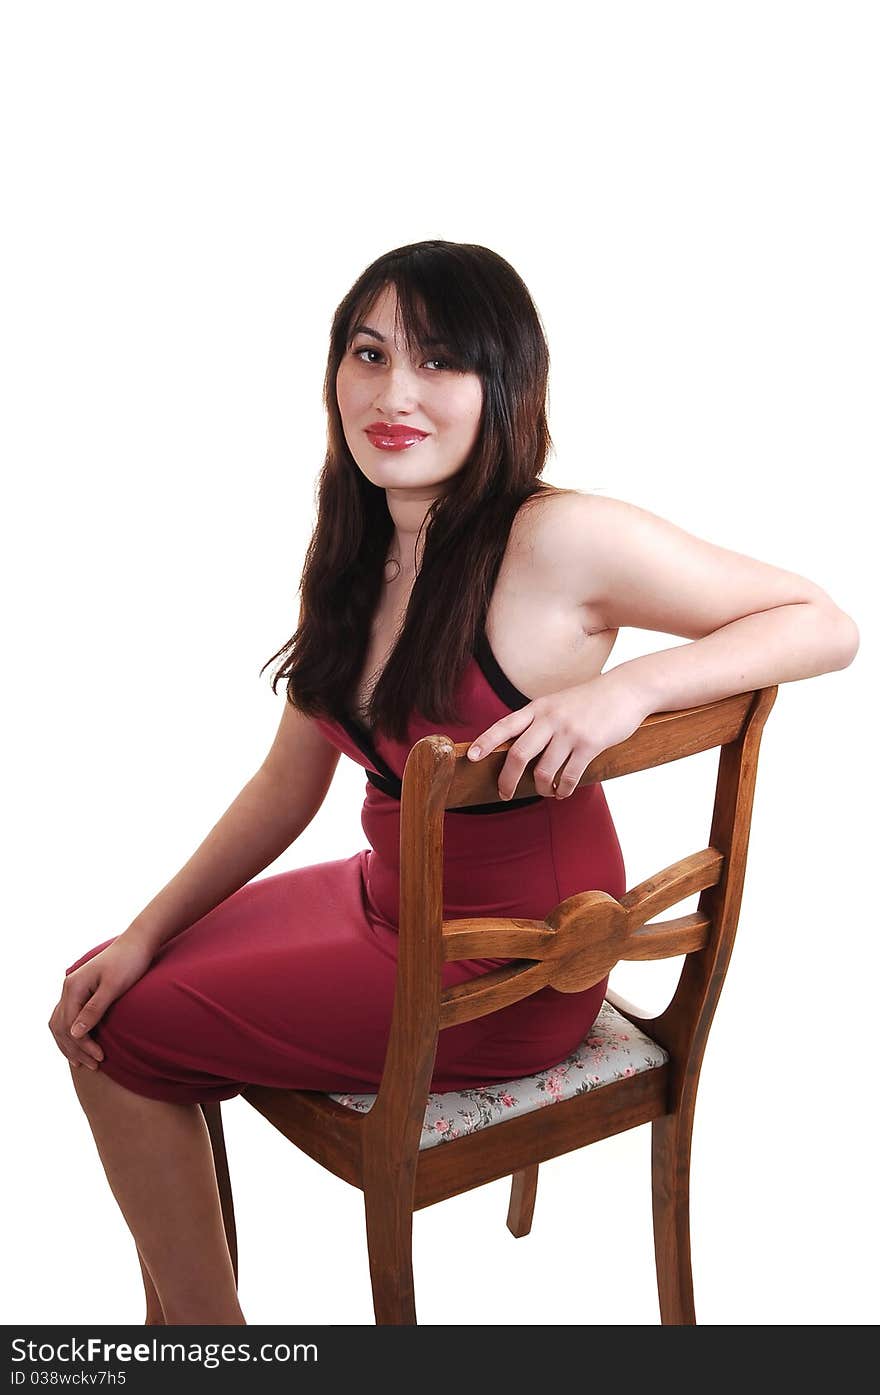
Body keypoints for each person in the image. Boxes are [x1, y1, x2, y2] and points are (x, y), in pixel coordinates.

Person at [49, 239, 859, 1327]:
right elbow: (287, 789)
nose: (394, 393)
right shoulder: (352, 548)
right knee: (105, 980)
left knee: (121, 1035)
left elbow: (823, 622)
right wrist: (145, 931)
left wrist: (628, 693)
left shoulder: (558, 538)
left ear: (502, 381)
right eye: (369, 353)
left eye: (438, 362)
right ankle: (190, 1328)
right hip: (386, 898)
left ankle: (200, 1344)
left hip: (503, 976)